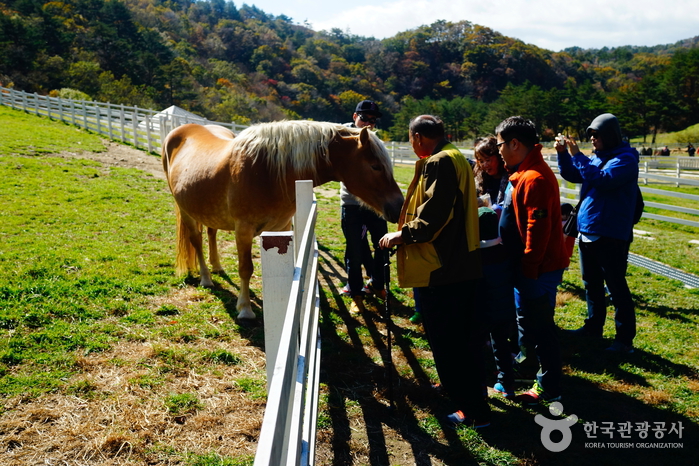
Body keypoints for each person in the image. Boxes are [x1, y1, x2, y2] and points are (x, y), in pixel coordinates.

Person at [379, 115, 489, 428]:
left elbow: (433, 216)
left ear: (417, 138)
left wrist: (402, 235)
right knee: (463, 338)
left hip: (443, 268)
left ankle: (472, 411)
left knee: (449, 341)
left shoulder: (439, 162)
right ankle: (466, 396)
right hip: (463, 263)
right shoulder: (458, 156)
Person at [495, 116, 569, 404]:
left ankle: (549, 386)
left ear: (515, 143)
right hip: (530, 268)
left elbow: (537, 229)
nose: (499, 150)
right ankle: (528, 369)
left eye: (501, 144)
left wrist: (528, 267)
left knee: (540, 326)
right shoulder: (524, 172)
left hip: (537, 269)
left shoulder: (534, 178)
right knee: (528, 322)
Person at [556, 113, 639, 354]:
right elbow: (573, 174)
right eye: (590, 134)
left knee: (615, 287)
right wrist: (564, 154)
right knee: (591, 283)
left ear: (610, 135)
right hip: (588, 230)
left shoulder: (625, 160)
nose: (592, 138)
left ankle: (624, 341)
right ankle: (594, 327)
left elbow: (602, 180)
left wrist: (577, 156)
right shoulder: (597, 158)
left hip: (610, 232)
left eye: (597, 134)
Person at [340, 100, 388, 313]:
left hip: (375, 204)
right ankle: (356, 294)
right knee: (355, 250)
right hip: (351, 203)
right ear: (354, 116)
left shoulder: (377, 143)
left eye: (373, 120)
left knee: (382, 246)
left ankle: (377, 284)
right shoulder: (341, 139)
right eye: (364, 118)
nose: (368, 123)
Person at [476, 206, 518, 399]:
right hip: (505, 311)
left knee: (476, 347)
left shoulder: (476, 256)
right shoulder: (506, 251)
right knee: (501, 345)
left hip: (483, 312)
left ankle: (480, 387)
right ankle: (507, 384)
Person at [473, 136, 509, 212]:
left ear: (499, 156)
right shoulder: (479, 180)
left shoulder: (510, 179)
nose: (485, 165)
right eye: (481, 161)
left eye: (488, 160)